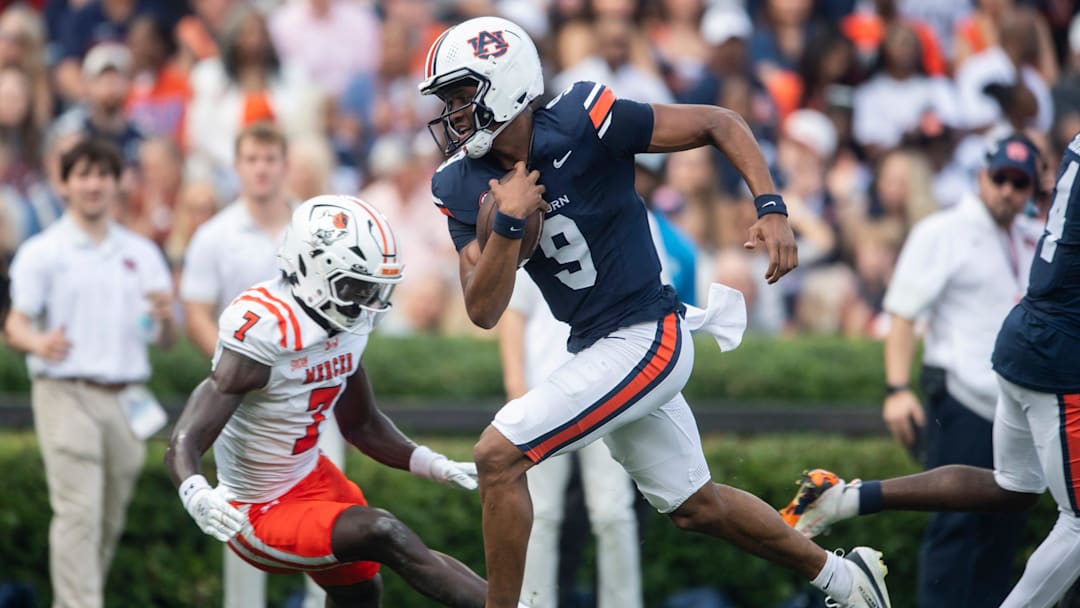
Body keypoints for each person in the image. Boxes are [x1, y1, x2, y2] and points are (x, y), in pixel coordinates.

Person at [420, 16, 889, 608]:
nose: (452, 113)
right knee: (698, 507)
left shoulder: (583, 117)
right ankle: (846, 581)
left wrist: (771, 206)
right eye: (448, 100)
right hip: (594, 344)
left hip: (648, 332)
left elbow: (721, 121)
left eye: (463, 96)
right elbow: (483, 310)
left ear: (507, 87)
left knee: (497, 454)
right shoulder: (458, 183)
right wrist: (509, 226)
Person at [779, 131, 1080, 608]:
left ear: (1035, 188)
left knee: (1011, 504)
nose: (1007, 190)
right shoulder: (944, 231)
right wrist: (897, 387)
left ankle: (850, 498)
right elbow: (902, 312)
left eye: (1018, 183)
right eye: (1000, 177)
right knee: (970, 534)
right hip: (975, 390)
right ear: (982, 176)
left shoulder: (1030, 229)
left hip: (1015, 376)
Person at [165, 194, 510, 608]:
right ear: (314, 270)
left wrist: (429, 463)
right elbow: (184, 439)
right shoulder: (265, 331)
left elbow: (362, 425)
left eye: (375, 287)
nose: (369, 300)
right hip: (257, 509)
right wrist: (195, 492)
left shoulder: (345, 324)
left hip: (313, 478)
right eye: (358, 285)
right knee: (384, 532)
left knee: (362, 593)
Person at [3, 138, 177, 608]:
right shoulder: (44, 251)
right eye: (82, 174)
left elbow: (165, 340)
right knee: (79, 514)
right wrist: (38, 342)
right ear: (64, 184)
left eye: (102, 173)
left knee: (106, 519)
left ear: (117, 181)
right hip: (66, 390)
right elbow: (15, 324)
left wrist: (165, 317)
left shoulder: (141, 253)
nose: (93, 184)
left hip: (126, 397)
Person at [178, 122, 343, 608]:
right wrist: (242, 371)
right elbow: (195, 313)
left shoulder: (312, 226)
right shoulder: (214, 235)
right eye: (252, 159)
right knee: (239, 518)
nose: (261, 168)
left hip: (313, 394)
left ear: (284, 165)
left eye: (270, 159)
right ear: (238, 167)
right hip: (241, 404)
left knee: (324, 516)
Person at [499, 269, 643, 608]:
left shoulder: (631, 223)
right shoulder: (529, 231)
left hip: (606, 392)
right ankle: (534, 605)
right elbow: (513, 314)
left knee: (613, 512)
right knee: (540, 514)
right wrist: (516, 387)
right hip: (542, 395)